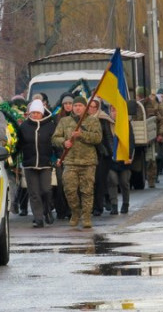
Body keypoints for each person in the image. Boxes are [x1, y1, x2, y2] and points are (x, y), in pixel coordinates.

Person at [52, 96, 102, 228]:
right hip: (70, 162)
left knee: (87, 191)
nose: (77, 108)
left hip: (88, 162)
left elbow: (97, 138)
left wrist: (82, 135)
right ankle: (75, 212)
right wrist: (64, 142)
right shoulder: (64, 121)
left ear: (85, 107)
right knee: (69, 189)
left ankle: (86, 216)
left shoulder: (93, 121)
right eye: (75, 106)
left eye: (80, 105)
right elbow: (55, 138)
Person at [17, 99, 56, 228]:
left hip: (45, 163)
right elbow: (19, 144)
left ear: (42, 113)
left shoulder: (50, 126)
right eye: (33, 112)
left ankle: (47, 209)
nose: (35, 115)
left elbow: (55, 143)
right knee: (34, 193)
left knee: (46, 189)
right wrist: (13, 157)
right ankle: (38, 218)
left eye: (37, 112)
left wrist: (58, 158)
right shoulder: (24, 126)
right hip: (29, 164)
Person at [106, 105, 135, 214]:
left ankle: (125, 203)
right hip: (112, 159)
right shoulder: (107, 123)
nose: (115, 113)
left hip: (124, 158)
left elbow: (131, 140)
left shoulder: (126, 124)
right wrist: (111, 152)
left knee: (124, 182)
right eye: (113, 110)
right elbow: (107, 139)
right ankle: (114, 204)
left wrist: (129, 155)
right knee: (112, 180)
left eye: (117, 110)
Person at [51, 95, 74, 220]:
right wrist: (57, 155)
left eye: (71, 103)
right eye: (66, 103)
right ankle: (61, 210)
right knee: (60, 185)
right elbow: (53, 138)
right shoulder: (57, 119)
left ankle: (71, 209)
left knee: (71, 185)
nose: (68, 105)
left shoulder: (78, 119)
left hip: (74, 156)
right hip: (60, 156)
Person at [89, 99, 113, 217]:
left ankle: (98, 207)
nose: (92, 109)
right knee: (89, 182)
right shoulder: (84, 120)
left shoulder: (103, 119)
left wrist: (110, 152)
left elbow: (108, 136)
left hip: (102, 155)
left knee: (99, 181)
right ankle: (91, 206)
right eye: (90, 107)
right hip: (88, 154)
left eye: (94, 107)